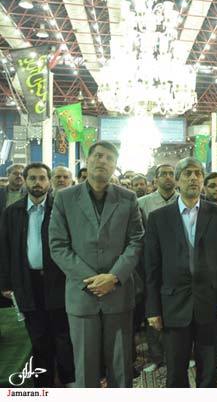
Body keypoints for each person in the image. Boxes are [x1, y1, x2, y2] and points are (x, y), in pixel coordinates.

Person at [49, 141, 144, 387]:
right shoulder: (65, 198)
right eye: (99, 156)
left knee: (121, 367)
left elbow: (136, 241)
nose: (103, 161)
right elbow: (58, 246)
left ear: (115, 166)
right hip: (82, 294)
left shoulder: (128, 198)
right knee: (85, 367)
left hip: (118, 293)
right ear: (87, 160)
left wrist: (114, 277)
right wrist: (92, 280)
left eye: (110, 158)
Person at [145, 157, 217, 387]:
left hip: (210, 302)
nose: (194, 178)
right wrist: (153, 309)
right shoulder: (159, 218)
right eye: (187, 173)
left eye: (198, 173)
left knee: (208, 373)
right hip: (173, 304)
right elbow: (151, 267)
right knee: (175, 373)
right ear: (177, 180)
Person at [0, 163, 75, 387]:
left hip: (58, 282)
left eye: (42, 178)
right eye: (32, 178)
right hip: (27, 283)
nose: (37, 183)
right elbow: (5, 249)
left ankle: (69, 381)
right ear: (25, 180)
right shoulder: (12, 212)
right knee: (38, 337)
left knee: (63, 336)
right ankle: (44, 386)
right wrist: (5, 282)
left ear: (49, 181)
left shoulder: (61, 209)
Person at [137, 164, 178, 372]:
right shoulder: (143, 203)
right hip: (151, 261)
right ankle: (156, 356)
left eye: (172, 174)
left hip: (178, 262)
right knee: (152, 307)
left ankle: (177, 354)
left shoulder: (184, 200)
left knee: (177, 309)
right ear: (155, 179)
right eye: (164, 174)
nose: (168, 177)